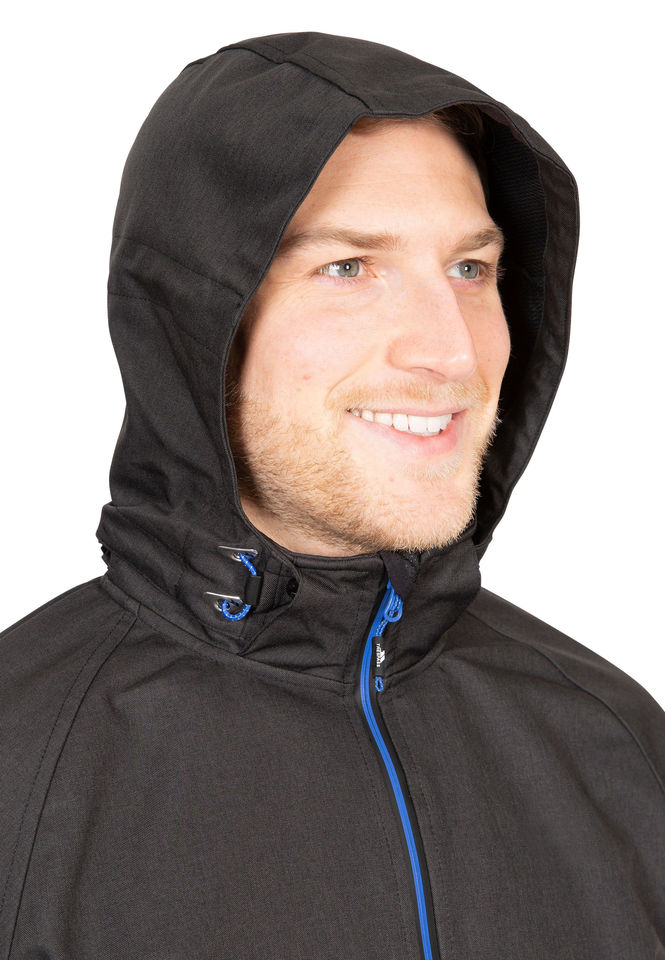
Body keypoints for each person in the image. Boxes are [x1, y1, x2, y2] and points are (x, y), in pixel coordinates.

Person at [1, 30, 663, 959]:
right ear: (195, 320)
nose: (451, 350)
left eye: (470, 269)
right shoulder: (23, 768)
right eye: (348, 268)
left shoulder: (613, 739)